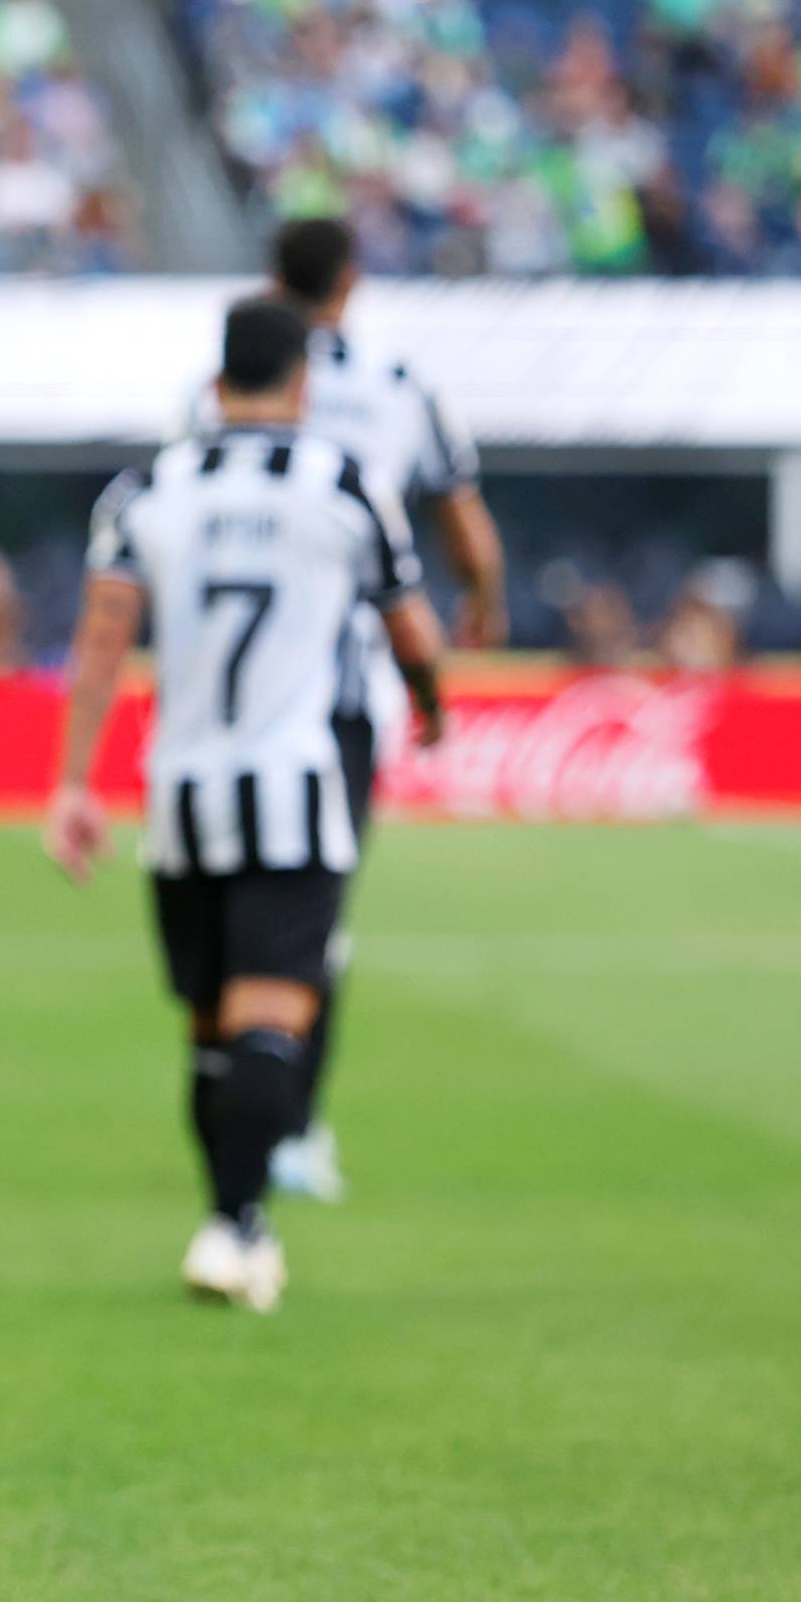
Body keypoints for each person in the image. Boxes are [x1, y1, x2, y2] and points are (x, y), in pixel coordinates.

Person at [49, 296, 450, 1316]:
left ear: (216, 383)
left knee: (210, 1037)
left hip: (181, 795)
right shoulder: (345, 484)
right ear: (303, 383)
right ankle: (233, 1224)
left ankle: (239, 1225)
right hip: (298, 788)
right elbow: (412, 633)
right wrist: (434, 707)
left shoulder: (148, 490)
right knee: (272, 1023)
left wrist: (73, 780)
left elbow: (101, 644)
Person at [207, 217, 506, 1203]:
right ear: (354, 282)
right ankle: (290, 1125)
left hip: (220, 698)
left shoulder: (219, 390)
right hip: (341, 693)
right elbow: (463, 517)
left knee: (220, 913)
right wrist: (482, 602)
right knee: (313, 921)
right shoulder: (399, 388)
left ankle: (235, 1107)